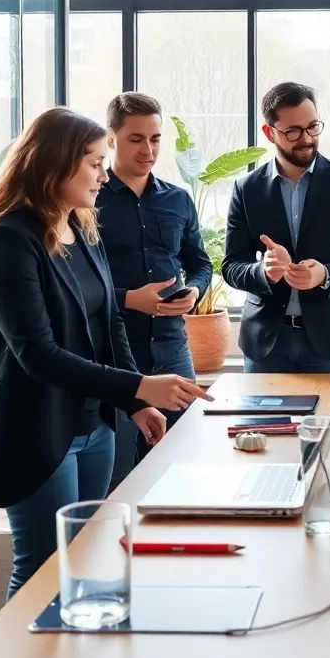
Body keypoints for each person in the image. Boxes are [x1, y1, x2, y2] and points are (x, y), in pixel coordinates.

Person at [0, 108, 211, 596]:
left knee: (86, 556)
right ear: (56, 164)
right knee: (46, 568)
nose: (104, 176)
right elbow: (38, 354)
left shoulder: (81, 226)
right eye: (94, 164)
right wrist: (139, 385)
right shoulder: (8, 239)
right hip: (33, 426)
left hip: (94, 424)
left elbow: (110, 324)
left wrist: (135, 402)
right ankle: (27, 650)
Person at [222, 82, 330, 373]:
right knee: (261, 408)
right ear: (269, 132)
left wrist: (325, 274)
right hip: (266, 344)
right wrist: (264, 272)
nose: (306, 139)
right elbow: (231, 266)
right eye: (293, 131)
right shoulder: (247, 189)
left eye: (312, 127)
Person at [97, 92, 212, 481]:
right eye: (136, 139)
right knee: (118, 477)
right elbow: (75, 284)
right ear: (111, 138)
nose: (148, 150)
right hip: (114, 354)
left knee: (183, 466)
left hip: (172, 348)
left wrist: (194, 291)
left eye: (155, 139)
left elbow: (200, 264)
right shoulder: (88, 199)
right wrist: (129, 300)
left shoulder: (178, 199)